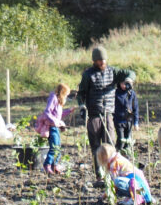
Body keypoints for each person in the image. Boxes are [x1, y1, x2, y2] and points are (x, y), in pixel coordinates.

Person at [77, 47, 118, 184]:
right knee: (95, 145)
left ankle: (111, 172)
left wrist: (129, 79)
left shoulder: (112, 72)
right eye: (99, 60)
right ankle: (99, 174)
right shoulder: (88, 75)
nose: (102, 63)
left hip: (108, 113)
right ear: (94, 61)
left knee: (110, 143)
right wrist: (82, 107)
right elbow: (81, 93)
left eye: (103, 60)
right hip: (94, 114)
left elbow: (129, 73)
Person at [34, 83, 70, 175]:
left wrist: (69, 111)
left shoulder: (58, 103)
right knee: (54, 147)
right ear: (62, 92)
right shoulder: (53, 98)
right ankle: (47, 165)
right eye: (66, 94)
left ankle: (55, 165)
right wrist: (54, 121)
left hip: (56, 127)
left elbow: (58, 115)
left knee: (58, 146)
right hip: (51, 127)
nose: (66, 96)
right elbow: (47, 112)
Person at [114, 77, 139, 155]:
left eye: (126, 84)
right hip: (118, 120)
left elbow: (135, 108)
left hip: (129, 120)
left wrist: (136, 122)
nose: (124, 86)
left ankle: (126, 157)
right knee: (121, 140)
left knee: (128, 141)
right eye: (122, 83)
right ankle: (117, 154)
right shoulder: (116, 93)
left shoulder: (131, 93)